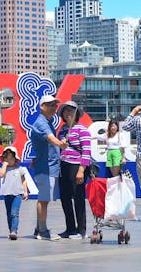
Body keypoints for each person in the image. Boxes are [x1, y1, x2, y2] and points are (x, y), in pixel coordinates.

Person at [29, 94, 68, 241]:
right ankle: (42, 231)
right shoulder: (41, 123)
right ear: (42, 107)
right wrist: (61, 144)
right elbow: (50, 138)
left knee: (45, 199)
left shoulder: (48, 122)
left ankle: (39, 228)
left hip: (49, 166)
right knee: (43, 200)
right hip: (45, 168)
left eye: (55, 105)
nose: (54, 107)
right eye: (50, 105)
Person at [57, 100, 91, 239]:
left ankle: (81, 230)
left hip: (76, 166)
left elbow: (87, 151)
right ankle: (70, 228)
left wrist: (81, 170)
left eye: (71, 111)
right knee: (65, 198)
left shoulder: (82, 129)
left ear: (76, 113)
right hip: (64, 166)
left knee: (78, 198)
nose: (68, 113)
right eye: (66, 111)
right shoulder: (62, 130)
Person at [0, 146, 29, 240]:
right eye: (7, 158)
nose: (9, 160)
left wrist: (25, 191)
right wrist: (4, 165)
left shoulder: (20, 169)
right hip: (7, 193)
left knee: (14, 213)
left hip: (17, 193)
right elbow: (0, 175)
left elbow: (23, 180)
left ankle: (14, 231)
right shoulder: (5, 168)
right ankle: (10, 230)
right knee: (8, 213)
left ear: (15, 158)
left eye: (11, 157)